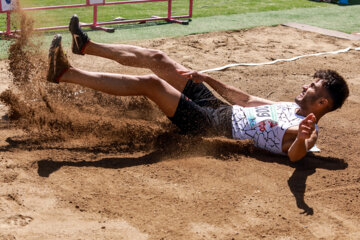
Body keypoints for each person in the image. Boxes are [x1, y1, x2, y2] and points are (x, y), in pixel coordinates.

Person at [47, 15, 349, 162]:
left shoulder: (309, 132)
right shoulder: (289, 107)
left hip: (212, 128)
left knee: (152, 84)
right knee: (159, 60)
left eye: (312, 86)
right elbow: (242, 99)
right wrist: (207, 79)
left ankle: (65, 74)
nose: (304, 86)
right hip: (221, 110)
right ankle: (86, 45)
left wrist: (304, 138)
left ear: (322, 103)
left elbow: (296, 155)